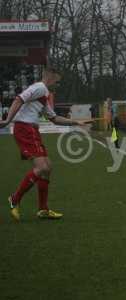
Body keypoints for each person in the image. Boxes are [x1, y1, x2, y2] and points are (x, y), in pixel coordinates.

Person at [0, 67, 92, 221]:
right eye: (57, 80)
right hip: (25, 129)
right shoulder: (39, 87)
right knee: (41, 167)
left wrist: (76, 122)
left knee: (47, 168)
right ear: (50, 76)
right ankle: (14, 199)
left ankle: (43, 209)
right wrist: (8, 120)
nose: (58, 83)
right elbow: (18, 99)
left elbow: (54, 118)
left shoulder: (44, 93)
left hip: (31, 130)